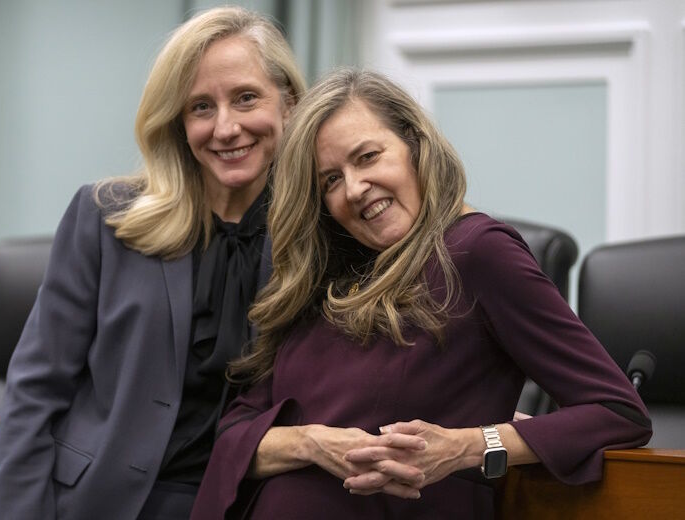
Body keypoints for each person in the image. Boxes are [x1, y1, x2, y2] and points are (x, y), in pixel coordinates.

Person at [190, 69, 652, 519]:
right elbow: (234, 434)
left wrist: (468, 446)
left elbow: (614, 410)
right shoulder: (324, 282)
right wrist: (312, 443)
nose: (353, 188)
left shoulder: (476, 252)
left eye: (368, 156)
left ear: (415, 146)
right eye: (330, 179)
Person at [0, 7, 306, 520]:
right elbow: (34, 392)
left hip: (243, 504)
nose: (226, 127)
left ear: (288, 104)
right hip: (99, 503)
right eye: (201, 107)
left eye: (246, 98)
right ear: (178, 121)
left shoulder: (316, 240)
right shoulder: (104, 217)